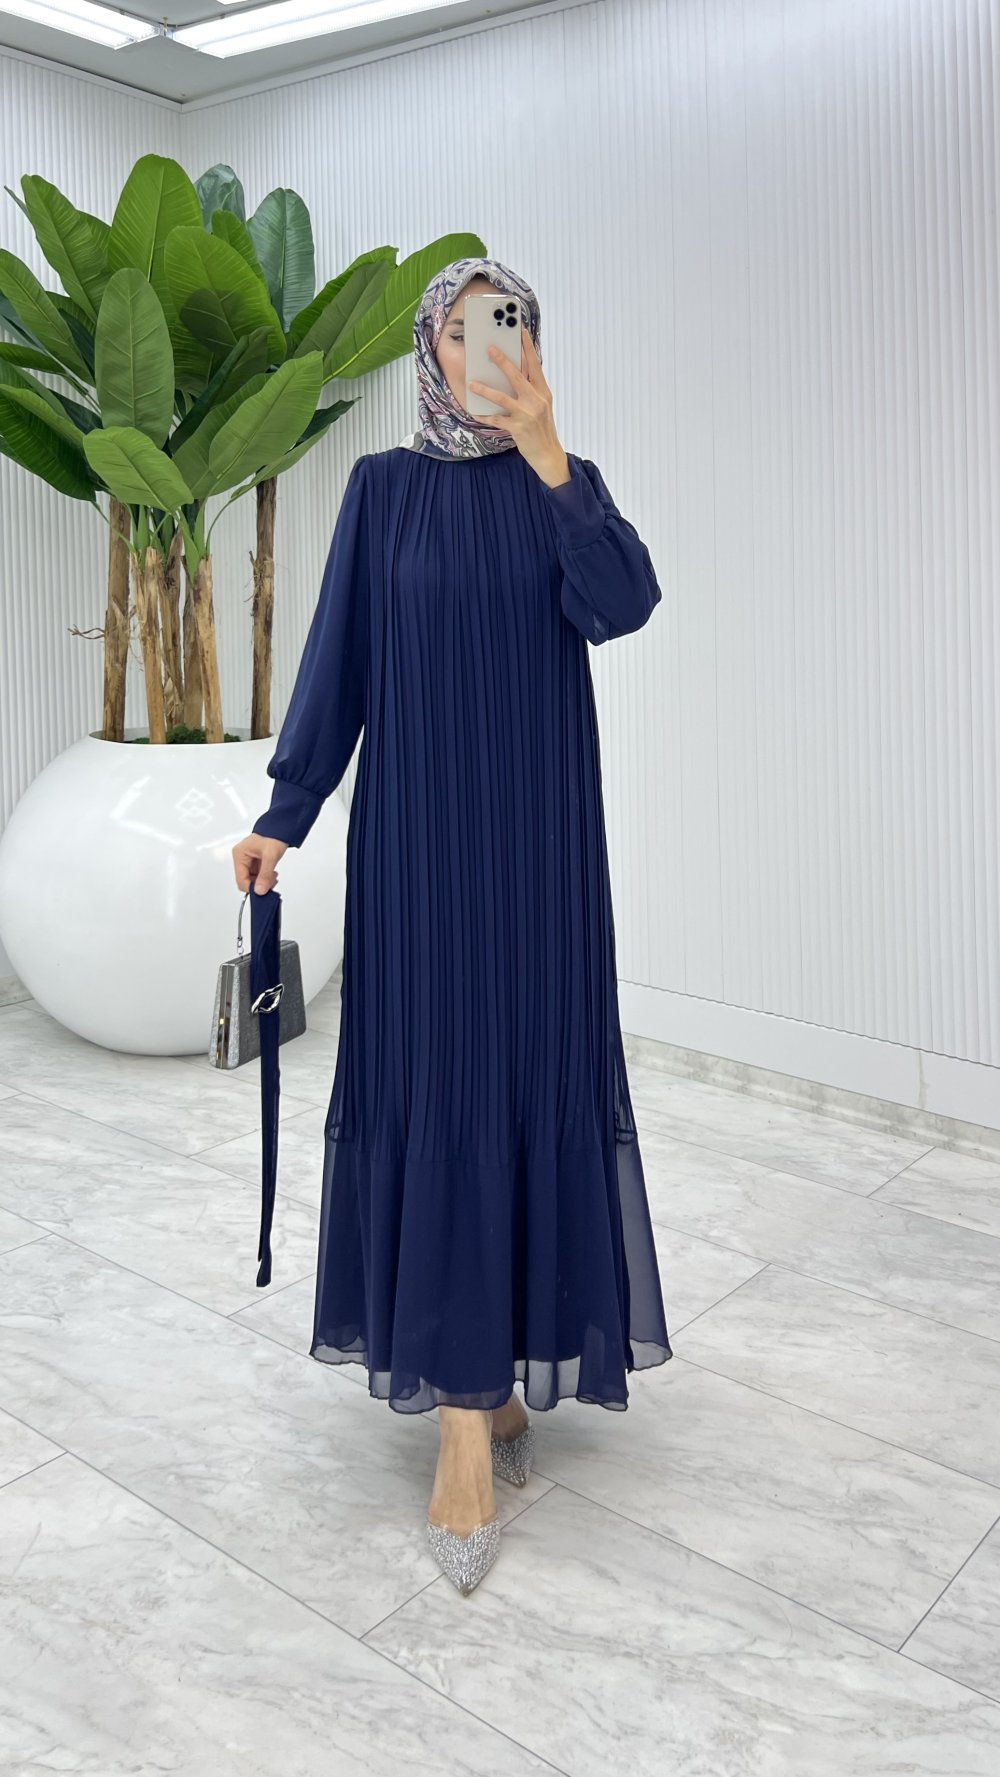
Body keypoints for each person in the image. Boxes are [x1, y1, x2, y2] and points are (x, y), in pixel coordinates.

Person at [232, 257, 673, 1596]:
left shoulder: (562, 486)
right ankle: (465, 1426)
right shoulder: (382, 491)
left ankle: (503, 1369)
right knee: (441, 1090)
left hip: (540, 863)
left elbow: (624, 604)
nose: (495, 348)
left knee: (529, 1084)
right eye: (471, 328)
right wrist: (286, 810)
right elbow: (340, 665)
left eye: (514, 325)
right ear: (432, 345)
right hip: (420, 860)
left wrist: (549, 455)